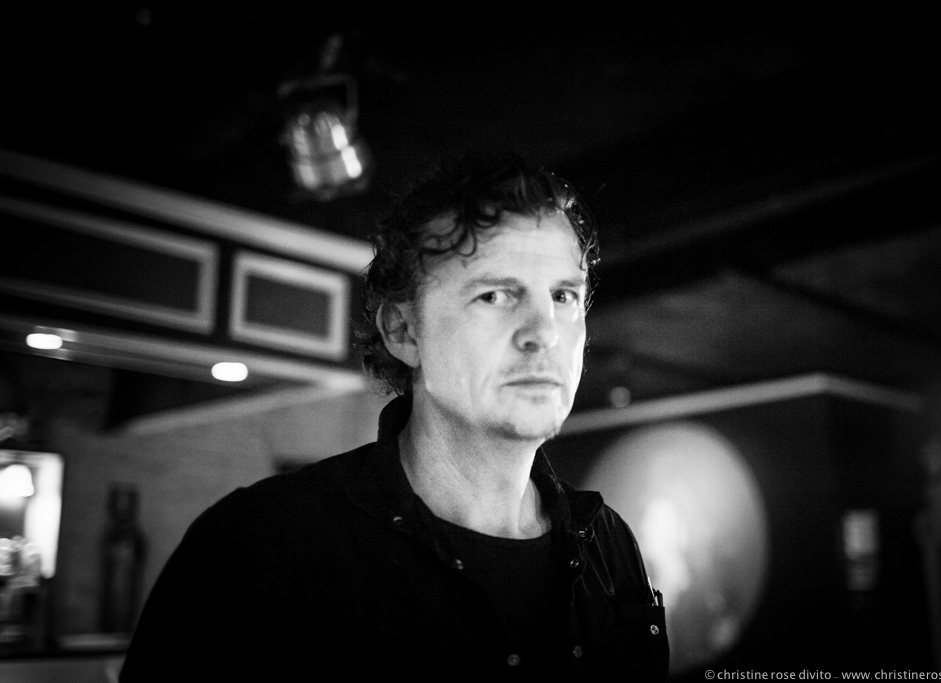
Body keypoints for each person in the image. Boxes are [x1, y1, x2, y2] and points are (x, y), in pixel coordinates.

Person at [120, 152, 669, 681]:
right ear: (403, 331)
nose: (544, 332)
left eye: (564, 296)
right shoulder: (258, 548)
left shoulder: (609, 545)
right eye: (496, 295)